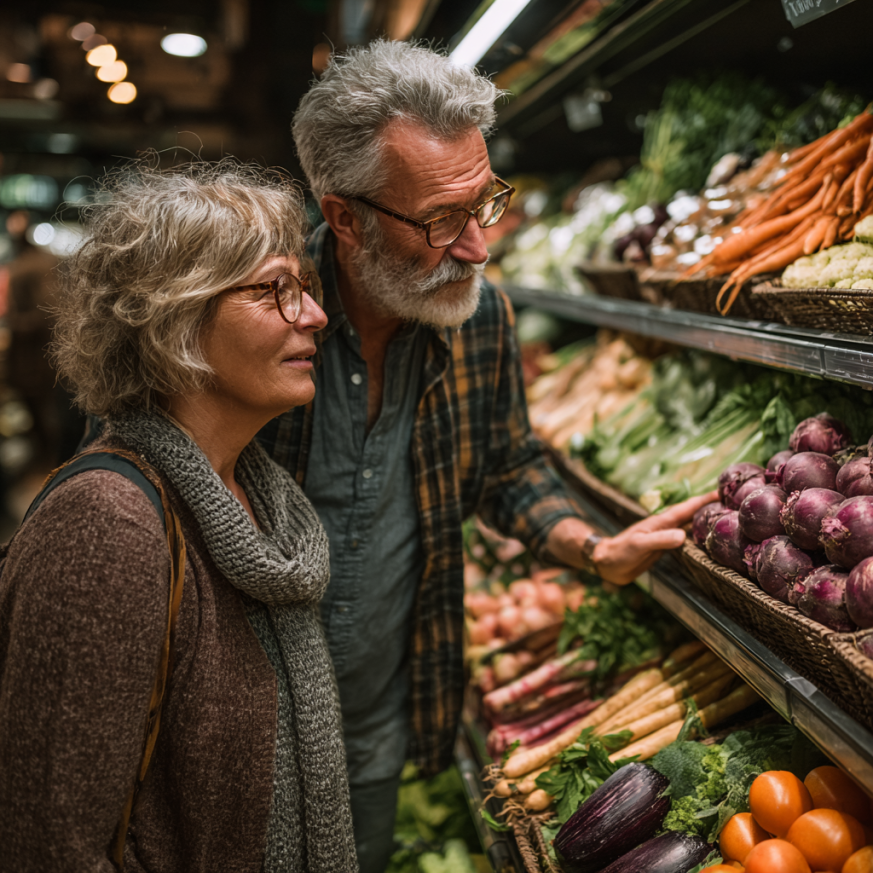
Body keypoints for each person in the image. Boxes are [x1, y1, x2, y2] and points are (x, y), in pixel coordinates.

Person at [258, 39, 716, 872]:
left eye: (485, 203)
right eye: (439, 221)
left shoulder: (481, 321)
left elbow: (506, 467)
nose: (475, 247)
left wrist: (592, 546)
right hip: (239, 724)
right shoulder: (256, 327)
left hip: (375, 720)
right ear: (344, 218)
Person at [0, 158, 358, 873]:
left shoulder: (259, 498)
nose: (314, 314)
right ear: (175, 320)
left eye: (305, 286)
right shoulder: (107, 528)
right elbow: (50, 848)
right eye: (272, 291)